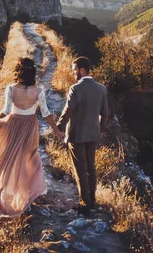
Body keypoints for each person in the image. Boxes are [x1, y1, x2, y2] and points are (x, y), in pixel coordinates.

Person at [0, 57, 64, 235]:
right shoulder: (38, 91)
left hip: (13, 126)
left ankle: (0, 202)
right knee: (29, 162)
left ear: (18, 71)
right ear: (33, 73)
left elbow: (6, 111)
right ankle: (24, 197)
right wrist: (57, 130)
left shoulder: (11, 89)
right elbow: (46, 114)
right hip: (29, 129)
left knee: (8, 164)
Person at [57, 56, 109, 216]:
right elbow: (105, 113)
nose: (73, 74)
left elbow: (68, 110)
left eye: (74, 71)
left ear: (82, 70)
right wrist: (100, 129)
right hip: (93, 134)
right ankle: (93, 200)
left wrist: (59, 125)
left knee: (80, 168)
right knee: (91, 167)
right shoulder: (101, 89)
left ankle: (85, 203)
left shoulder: (75, 89)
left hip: (77, 135)